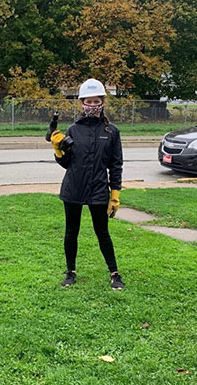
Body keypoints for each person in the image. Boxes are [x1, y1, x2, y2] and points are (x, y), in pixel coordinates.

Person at [51, 78, 124, 290]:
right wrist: (58, 150)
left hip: (99, 189)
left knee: (102, 232)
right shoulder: (73, 130)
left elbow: (116, 165)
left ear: (103, 101)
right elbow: (67, 163)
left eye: (96, 101)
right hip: (73, 187)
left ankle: (115, 273)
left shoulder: (111, 132)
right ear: (82, 103)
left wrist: (115, 195)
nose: (92, 105)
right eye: (88, 101)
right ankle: (70, 272)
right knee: (71, 232)